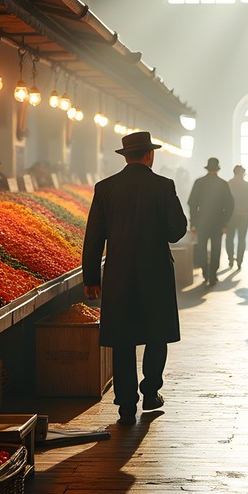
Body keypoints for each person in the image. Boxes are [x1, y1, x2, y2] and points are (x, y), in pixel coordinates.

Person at [81, 131, 187, 427]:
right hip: (155, 271)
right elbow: (176, 230)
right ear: (149, 155)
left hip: (119, 272)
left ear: (126, 156)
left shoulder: (105, 188)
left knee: (123, 338)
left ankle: (126, 403)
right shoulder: (164, 186)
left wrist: (91, 276)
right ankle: (151, 392)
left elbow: (93, 237)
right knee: (157, 333)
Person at [187, 158, 233, 285]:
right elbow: (230, 205)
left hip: (202, 221)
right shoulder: (223, 183)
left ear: (207, 168)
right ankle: (213, 273)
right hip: (218, 222)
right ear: (218, 169)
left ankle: (205, 272)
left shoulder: (199, 182)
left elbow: (192, 203)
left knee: (201, 247)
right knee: (216, 248)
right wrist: (225, 222)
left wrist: (193, 222)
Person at [226, 165, 248, 269]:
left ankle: (230, 259)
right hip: (244, 215)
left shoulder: (228, 184)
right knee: (242, 239)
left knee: (229, 238)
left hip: (231, 216)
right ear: (243, 173)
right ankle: (239, 261)